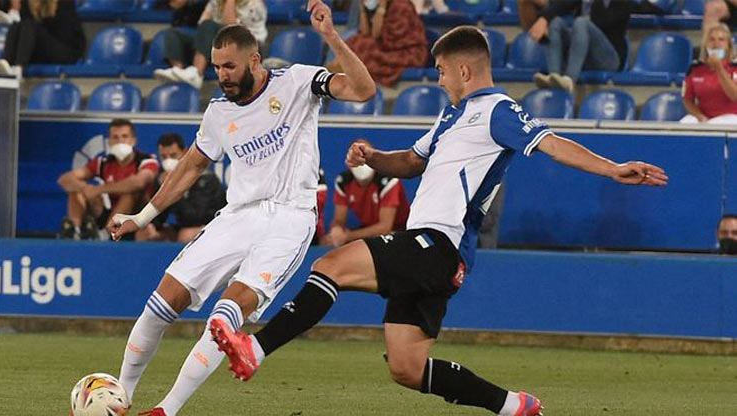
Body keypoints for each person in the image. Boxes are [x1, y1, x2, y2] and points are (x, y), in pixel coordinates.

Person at [209, 26, 668, 416]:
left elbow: (550, 142)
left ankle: (257, 348)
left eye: (443, 70)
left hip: (440, 245)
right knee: (406, 369)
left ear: (464, 71)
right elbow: (411, 161)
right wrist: (374, 157)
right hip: (429, 253)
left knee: (331, 266)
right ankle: (514, 406)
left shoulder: (497, 111)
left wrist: (612, 168)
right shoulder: (452, 115)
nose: (438, 78)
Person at [108, 2, 376, 414]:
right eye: (216, 67)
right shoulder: (218, 111)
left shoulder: (298, 82)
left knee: (225, 316)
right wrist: (141, 217)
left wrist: (331, 37)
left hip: (290, 216)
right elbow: (189, 168)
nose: (222, 76)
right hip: (238, 216)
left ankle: (167, 409)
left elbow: (363, 90)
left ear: (255, 59)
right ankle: (118, 399)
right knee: (161, 301)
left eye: (230, 66)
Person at [57, 119, 158, 241]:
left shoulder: (146, 161)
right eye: (115, 137)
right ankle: (76, 232)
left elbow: (138, 182)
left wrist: (98, 189)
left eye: (124, 136)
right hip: (109, 213)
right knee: (76, 190)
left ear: (133, 140)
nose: (120, 141)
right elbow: (65, 179)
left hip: (138, 215)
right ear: (109, 142)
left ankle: (108, 234)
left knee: (129, 193)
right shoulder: (104, 162)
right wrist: (86, 188)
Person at [154, 0, 268, 89]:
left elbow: (231, 28)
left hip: (246, 46)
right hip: (218, 44)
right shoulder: (215, 2)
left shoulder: (254, 4)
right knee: (172, 34)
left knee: (210, 25)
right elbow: (202, 23)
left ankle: (197, 73)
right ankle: (177, 71)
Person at [135, 133, 227, 243]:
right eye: (164, 157)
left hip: (214, 225)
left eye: (173, 156)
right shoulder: (162, 177)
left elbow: (194, 218)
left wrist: (176, 188)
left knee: (185, 235)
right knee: (142, 234)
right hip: (183, 226)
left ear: (184, 153)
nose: (168, 161)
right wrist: (152, 227)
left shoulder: (205, 179)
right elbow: (159, 218)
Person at [529, 0, 633, 93]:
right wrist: (544, 19)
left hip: (609, 58)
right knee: (555, 22)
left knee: (581, 22)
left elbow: (603, 23)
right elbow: (562, 4)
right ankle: (554, 76)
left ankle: (570, 79)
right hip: (582, 56)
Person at [322, 139, 410, 247]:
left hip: (399, 232)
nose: (362, 163)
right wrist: (337, 230)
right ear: (349, 162)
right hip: (367, 232)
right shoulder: (344, 182)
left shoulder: (388, 180)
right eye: (357, 156)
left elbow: (385, 227)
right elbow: (339, 219)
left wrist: (348, 236)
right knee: (325, 241)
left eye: (364, 156)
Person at [332, 0, 427, 87]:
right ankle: (336, 74)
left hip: (405, 50)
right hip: (383, 45)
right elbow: (365, 32)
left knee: (364, 46)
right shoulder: (372, 6)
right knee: (352, 41)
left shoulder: (401, 5)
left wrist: (382, 8)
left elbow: (377, 35)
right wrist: (362, 9)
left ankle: (343, 74)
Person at [0, 0, 85, 78]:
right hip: (42, 50)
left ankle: (19, 68)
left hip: (65, 50)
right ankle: (7, 65)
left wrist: (40, 31)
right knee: (15, 25)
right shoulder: (26, 3)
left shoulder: (64, 2)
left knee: (30, 26)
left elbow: (66, 36)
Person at [680, 23, 737, 125]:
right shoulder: (695, 69)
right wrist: (700, 116)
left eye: (721, 40)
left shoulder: (734, 68)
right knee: (685, 123)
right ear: (706, 45)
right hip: (705, 117)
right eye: (712, 39)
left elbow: (734, 96)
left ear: (728, 45)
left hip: (731, 117)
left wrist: (719, 68)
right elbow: (687, 100)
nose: (716, 44)